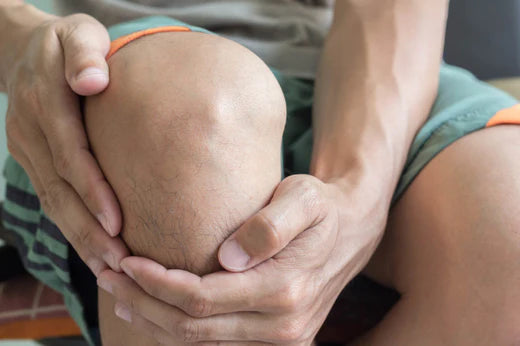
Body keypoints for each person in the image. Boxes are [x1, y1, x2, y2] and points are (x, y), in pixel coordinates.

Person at [1, 0, 520, 345]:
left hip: (352, 65)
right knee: (191, 114)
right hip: (112, 56)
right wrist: (19, 39)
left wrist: (357, 200)